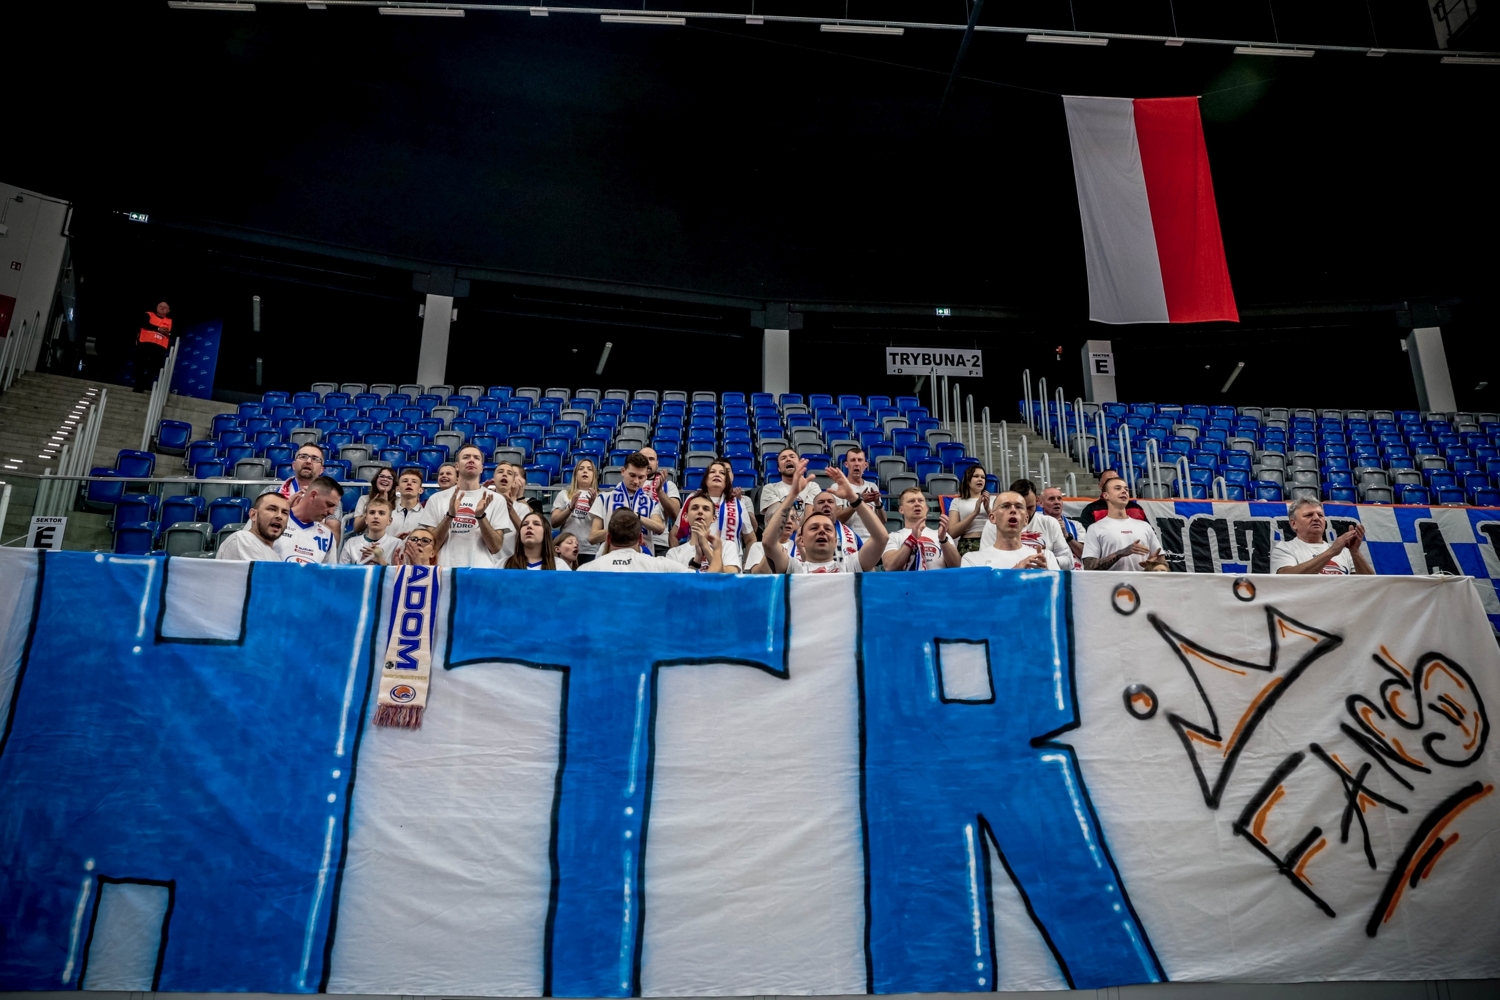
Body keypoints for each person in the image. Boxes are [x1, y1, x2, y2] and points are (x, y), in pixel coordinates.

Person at [765, 465, 889, 573]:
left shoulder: (850, 566)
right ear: (801, 540)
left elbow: (881, 538)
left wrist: (853, 497)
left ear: (835, 541)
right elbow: (768, 542)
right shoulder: (794, 568)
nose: (822, 531)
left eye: (828, 529)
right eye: (814, 528)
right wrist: (792, 495)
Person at [418, 444, 508, 568]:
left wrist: (481, 517)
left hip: (481, 570)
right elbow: (432, 547)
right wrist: (449, 516)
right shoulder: (436, 499)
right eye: (466, 457)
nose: (471, 460)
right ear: (457, 466)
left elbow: (495, 547)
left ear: (481, 468)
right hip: (445, 570)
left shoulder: (496, 499)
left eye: (476, 458)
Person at [979, 479, 1074, 569]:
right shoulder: (994, 524)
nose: (1025, 513)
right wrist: (1019, 564)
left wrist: (1046, 561)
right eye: (1019, 507)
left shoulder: (1050, 523)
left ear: (1037, 501)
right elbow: (985, 561)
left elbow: (1069, 561)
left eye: (1029, 507)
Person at [1082, 476, 1167, 571]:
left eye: (1126, 489)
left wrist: (1153, 565)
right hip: (1110, 580)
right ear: (1105, 495)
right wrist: (1121, 553)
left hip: (1142, 580)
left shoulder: (1144, 526)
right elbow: (1089, 567)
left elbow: (1162, 562)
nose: (1124, 491)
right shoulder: (1095, 528)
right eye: (1118, 488)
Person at [1271, 499, 1375, 575]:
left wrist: (1355, 552)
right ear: (1293, 524)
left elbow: (1371, 585)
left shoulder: (1344, 551)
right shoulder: (1284, 548)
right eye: (1309, 515)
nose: (1316, 518)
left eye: (1320, 515)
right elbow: (1286, 579)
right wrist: (1332, 551)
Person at [589, 452, 665, 554]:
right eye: (632, 475)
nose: (636, 481)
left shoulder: (651, 503)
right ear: (623, 471)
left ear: (646, 476)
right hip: (610, 556)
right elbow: (593, 537)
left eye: (641, 477)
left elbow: (660, 528)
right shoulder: (604, 498)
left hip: (641, 557)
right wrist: (619, 529)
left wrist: (635, 516)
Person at [961, 492, 1059, 569]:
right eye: (1005, 506)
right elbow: (973, 589)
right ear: (992, 518)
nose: (1013, 510)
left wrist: (1047, 578)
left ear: (1026, 519)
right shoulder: (972, 560)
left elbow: (1059, 589)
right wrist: (1015, 571)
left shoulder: (1046, 557)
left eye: (1019, 507)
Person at [577, 509, 692, 572]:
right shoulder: (661, 566)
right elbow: (696, 578)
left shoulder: (586, 569)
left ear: (608, 538)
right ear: (641, 538)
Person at [883, 486, 961, 571]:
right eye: (911, 501)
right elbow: (890, 567)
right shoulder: (893, 537)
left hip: (937, 580)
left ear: (926, 508)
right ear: (901, 510)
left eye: (920, 500)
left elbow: (956, 565)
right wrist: (911, 540)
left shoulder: (942, 535)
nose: (917, 504)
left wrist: (943, 540)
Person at [274, 475, 343, 565]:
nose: (332, 512)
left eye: (335, 507)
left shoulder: (328, 535)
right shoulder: (275, 522)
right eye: (329, 504)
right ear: (313, 496)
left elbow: (329, 572)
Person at [662, 492, 730, 572]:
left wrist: (706, 548)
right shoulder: (674, 553)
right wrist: (697, 559)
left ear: (714, 518)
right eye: (694, 508)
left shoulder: (727, 546)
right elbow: (677, 580)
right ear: (685, 517)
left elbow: (730, 577)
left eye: (706, 509)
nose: (700, 511)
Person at [551, 458, 601, 563]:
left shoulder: (601, 497)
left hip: (591, 550)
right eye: (581, 469)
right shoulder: (564, 494)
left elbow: (606, 527)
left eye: (589, 469)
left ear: (594, 475)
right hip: (566, 550)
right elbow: (554, 522)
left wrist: (594, 506)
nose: (585, 471)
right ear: (575, 474)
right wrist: (570, 508)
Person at [215, 492, 288, 561]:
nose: (279, 516)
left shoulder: (275, 556)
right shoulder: (243, 539)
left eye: (284, 512)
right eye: (272, 509)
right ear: (253, 515)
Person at [639, 446, 683, 556]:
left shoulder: (668, 485)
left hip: (660, 543)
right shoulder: (628, 484)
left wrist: (660, 492)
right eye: (643, 458)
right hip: (634, 541)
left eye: (651, 459)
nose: (647, 462)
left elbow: (676, 515)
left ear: (657, 463)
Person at [759, 447, 822, 516]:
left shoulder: (812, 486)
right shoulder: (770, 488)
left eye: (792, 457)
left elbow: (810, 516)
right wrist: (794, 493)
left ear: (800, 464)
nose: (788, 459)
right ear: (779, 469)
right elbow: (777, 516)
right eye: (783, 458)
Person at [838, 446, 883, 539]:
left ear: (865, 465)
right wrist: (859, 502)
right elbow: (838, 519)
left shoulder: (873, 486)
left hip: (871, 538)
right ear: (846, 464)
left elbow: (882, 521)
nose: (856, 464)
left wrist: (878, 504)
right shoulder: (838, 487)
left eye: (860, 460)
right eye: (853, 460)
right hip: (849, 538)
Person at [945, 465, 991, 556]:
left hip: (991, 542)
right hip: (968, 544)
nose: (980, 479)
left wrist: (988, 509)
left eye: (983, 477)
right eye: (976, 476)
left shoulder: (993, 500)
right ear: (967, 480)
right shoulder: (957, 501)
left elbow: (1002, 524)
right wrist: (975, 513)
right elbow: (952, 533)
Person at [340, 497, 401, 565]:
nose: (376, 516)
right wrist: (362, 563)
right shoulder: (351, 544)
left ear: (389, 521)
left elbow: (402, 571)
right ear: (366, 519)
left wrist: (381, 561)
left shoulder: (397, 544)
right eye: (372, 512)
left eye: (381, 513)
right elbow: (342, 571)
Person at [503, 511, 572, 570]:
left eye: (536, 524)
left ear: (546, 533)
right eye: (525, 524)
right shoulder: (504, 564)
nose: (529, 526)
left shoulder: (560, 566)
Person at [1078, 469, 1147, 524]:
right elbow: (1087, 535)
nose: (1124, 491)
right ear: (1100, 486)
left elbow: (1150, 534)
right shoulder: (1091, 510)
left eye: (1126, 489)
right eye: (1109, 480)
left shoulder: (1137, 508)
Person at [133, 300, 173, 392]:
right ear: (156, 307)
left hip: (159, 347)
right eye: (160, 306)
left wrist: (169, 333)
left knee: (155, 367)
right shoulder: (148, 314)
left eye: (165, 307)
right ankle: (138, 386)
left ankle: (145, 384)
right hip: (145, 344)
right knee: (140, 365)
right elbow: (143, 324)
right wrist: (158, 329)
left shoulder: (170, 321)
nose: (162, 308)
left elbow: (174, 333)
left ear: (168, 311)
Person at [1040, 485, 1086, 564]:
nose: (1057, 502)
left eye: (1059, 498)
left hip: (1073, 569)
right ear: (1041, 503)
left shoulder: (1076, 525)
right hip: (1045, 567)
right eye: (1051, 499)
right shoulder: (1035, 524)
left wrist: (1067, 536)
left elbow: (1084, 554)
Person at [351, 466, 398, 535]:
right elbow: (357, 528)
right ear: (376, 480)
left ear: (393, 483)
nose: (385, 479)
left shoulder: (399, 501)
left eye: (389, 478)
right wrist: (371, 507)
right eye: (382, 476)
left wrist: (385, 505)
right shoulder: (363, 499)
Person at [388, 468, 426, 540]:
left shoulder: (426, 516)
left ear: (421, 490)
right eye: (405, 481)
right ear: (397, 489)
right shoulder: (388, 515)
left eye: (414, 482)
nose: (409, 483)